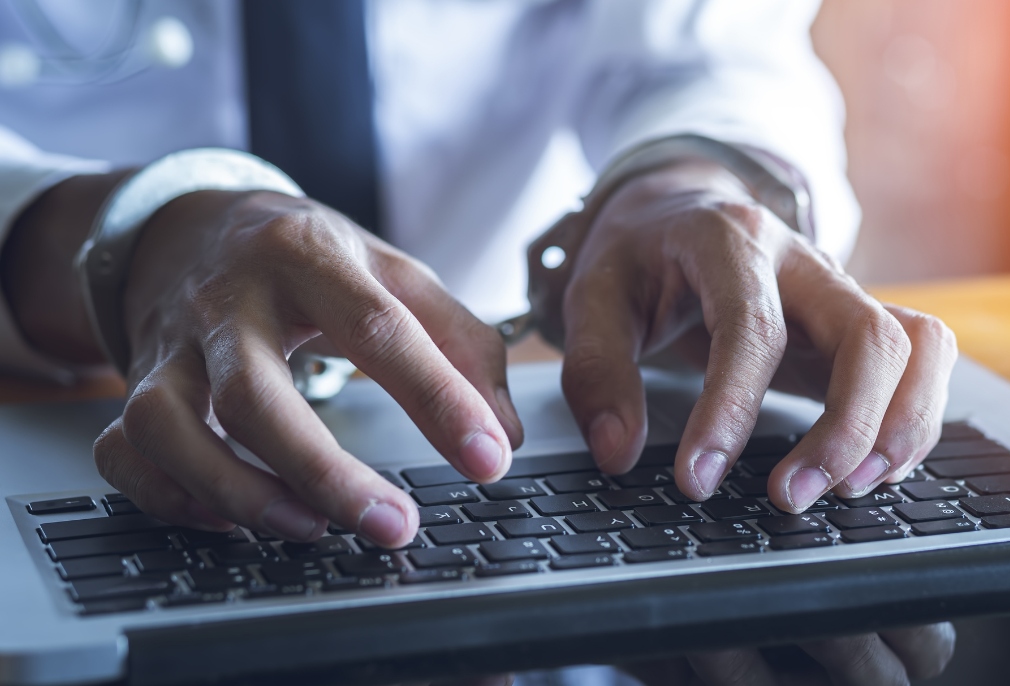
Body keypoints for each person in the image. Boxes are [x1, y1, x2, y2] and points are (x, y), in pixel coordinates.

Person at [0, 1, 958, 683]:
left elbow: (710, 47)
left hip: (531, 446)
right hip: (69, 399)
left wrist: (690, 175)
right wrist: (131, 242)